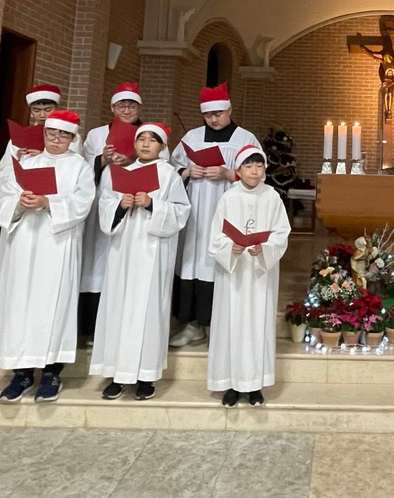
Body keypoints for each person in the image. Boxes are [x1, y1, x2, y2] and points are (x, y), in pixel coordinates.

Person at [0, 110, 95, 403]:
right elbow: (5, 195)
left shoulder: (79, 167)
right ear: (44, 134)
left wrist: (48, 202)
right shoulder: (26, 163)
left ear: (72, 138)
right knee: (20, 303)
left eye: (63, 135)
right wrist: (19, 203)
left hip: (58, 244)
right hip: (24, 243)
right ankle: (20, 374)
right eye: (51, 134)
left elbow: (83, 202)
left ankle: (51, 372)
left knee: (53, 306)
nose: (56, 140)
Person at [90, 123, 191, 400]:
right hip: (122, 253)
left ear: (163, 146)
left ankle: (146, 376)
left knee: (149, 311)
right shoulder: (120, 173)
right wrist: (120, 205)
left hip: (153, 253)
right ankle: (117, 373)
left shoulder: (169, 175)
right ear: (135, 144)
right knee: (119, 309)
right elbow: (105, 207)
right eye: (141, 139)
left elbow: (181, 212)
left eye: (153, 140)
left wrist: (151, 204)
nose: (146, 144)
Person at [169, 84, 259, 347]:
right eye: (208, 115)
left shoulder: (245, 139)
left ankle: (223, 326)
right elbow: (171, 170)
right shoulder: (192, 137)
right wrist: (187, 172)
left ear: (229, 109)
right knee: (193, 262)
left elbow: (258, 176)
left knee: (222, 262)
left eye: (218, 113)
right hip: (196, 213)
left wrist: (229, 174)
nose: (214, 119)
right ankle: (193, 325)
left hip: (228, 212)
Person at [206, 146, 291, 407]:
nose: (254, 171)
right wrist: (228, 247)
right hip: (233, 274)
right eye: (248, 166)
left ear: (265, 169)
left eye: (259, 166)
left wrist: (265, 248)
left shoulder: (272, 197)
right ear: (238, 170)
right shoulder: (228, 198)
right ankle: (231, 384)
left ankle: (255, 385)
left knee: (257, 325)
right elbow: (215, 235)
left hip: (259, 274)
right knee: (231, 325)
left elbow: (281, 233)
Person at [78, 81, 144, 341]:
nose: (127, 110)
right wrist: (102, 159)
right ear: (112, 107)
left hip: (133, 202)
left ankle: (120, 325)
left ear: (139, 108)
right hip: (101, 202)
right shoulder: (97, 135)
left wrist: (134, 159)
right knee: (95, 258)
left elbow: (163, 165)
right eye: (121, 105)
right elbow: (82, 168)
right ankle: (90, 324)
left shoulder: (148, 133)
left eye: (132, 106)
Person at [0, 83, 80, 188]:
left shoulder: (69, 136)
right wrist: (18, 159)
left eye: (48, 110)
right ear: (31, 112)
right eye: (36, 110)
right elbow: (4, 169)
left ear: (56, 109)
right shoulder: (21, 136)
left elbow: (73, 166)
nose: (42, 115)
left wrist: (44, 156)